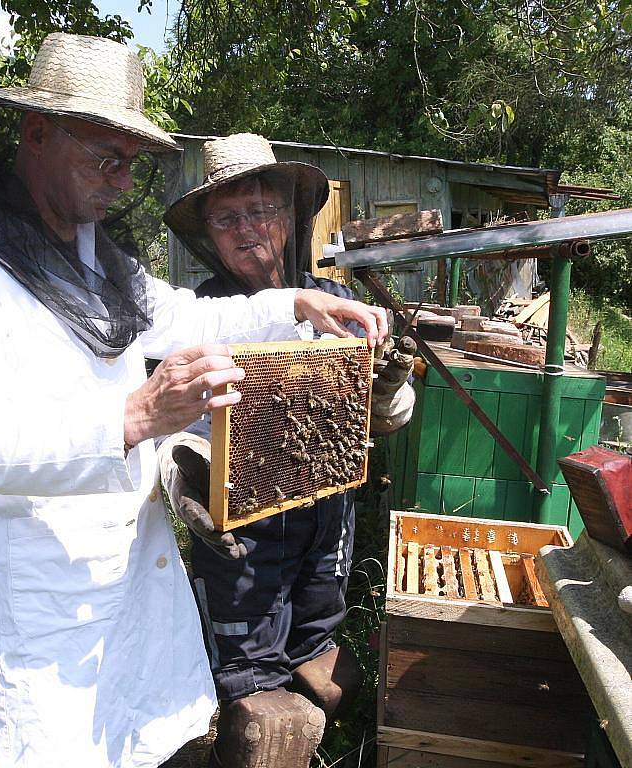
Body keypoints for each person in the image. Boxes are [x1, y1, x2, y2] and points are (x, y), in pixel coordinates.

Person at [0, 36, 389, 768]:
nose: (123, 180)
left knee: (147, 748)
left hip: (132, 579)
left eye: (131, 162)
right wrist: (132, 418)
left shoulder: (91, 251)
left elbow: (177, 316)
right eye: (108, 157)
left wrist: (293, 305)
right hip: (43, 600)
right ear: (37, 134)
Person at [159, 134, 415, 768]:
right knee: (249, 682)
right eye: (227, 218)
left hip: (328, 515)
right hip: (241, 535)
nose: (248, 230)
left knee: (320, 646)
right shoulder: (195, 315)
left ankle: (323, 746)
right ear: (208, 236)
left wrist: (386, 389)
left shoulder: (333, 299)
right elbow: (173, 422)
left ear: (289, 217)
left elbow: (389, 419)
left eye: (260, 210)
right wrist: (186, 480)